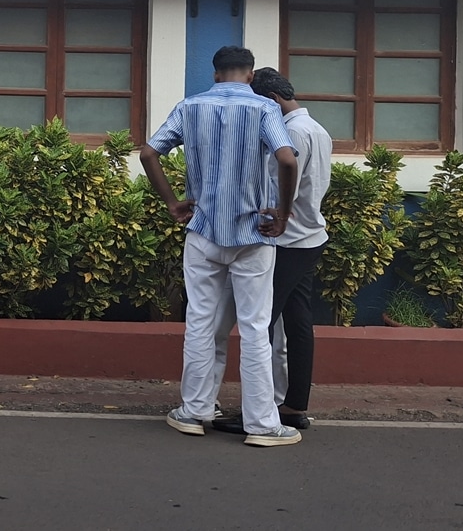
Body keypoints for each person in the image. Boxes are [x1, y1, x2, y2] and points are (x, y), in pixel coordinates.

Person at [139, 45, 301, 448]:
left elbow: (148, 153)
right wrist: (282, 212)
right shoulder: (264, 109)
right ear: (249, 75)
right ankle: (262, 424)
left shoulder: (189, 107)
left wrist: (172, 201)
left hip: (204, 233)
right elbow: (287, 160)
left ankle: (193, 411)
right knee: (254, 328)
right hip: (254, 234)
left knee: (201, 323)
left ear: (215, 74)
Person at [209, 68, 333, 435]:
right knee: (297, 324)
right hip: (309, 236)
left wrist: (269, 211)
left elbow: (285, 184)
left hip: (287, 239)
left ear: (273, 101)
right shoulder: (317, 129)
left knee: (258, 326)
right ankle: (293, 405)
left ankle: (258, 413)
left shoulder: (291, 132)